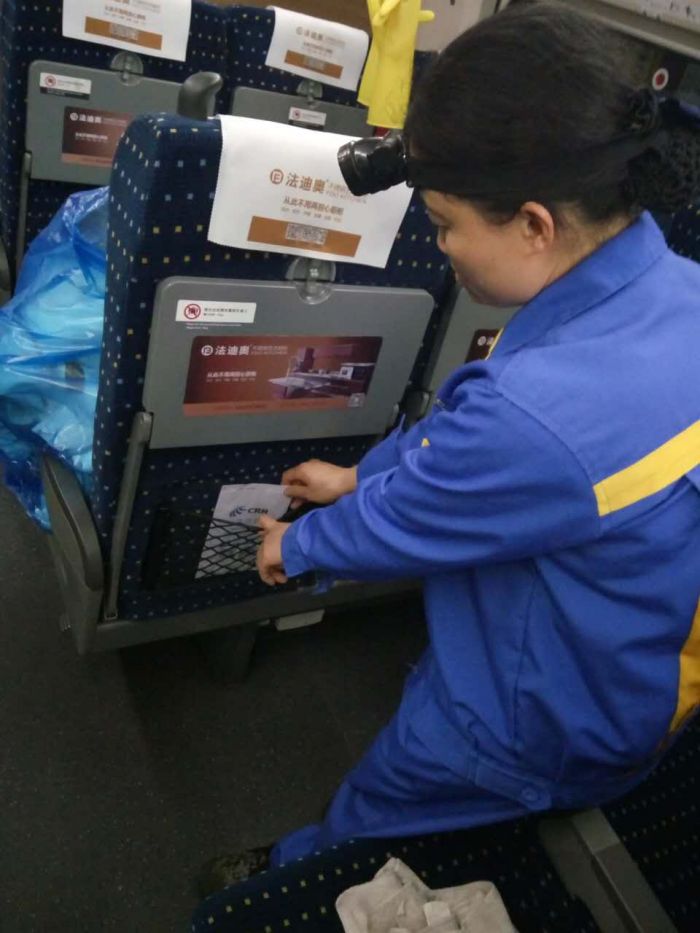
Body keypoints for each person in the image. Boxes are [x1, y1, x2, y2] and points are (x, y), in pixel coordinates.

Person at [205, 1, 700, 891]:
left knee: (386, 802)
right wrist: (359, 474)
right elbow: (466, 446)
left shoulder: (533, 413)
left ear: (535, 225)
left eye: (444, 223)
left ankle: (292, 879)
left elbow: (426, 503)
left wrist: (299, 544)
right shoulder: (672, 288)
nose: (440, 249)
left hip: (526, 721)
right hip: (635, 669)